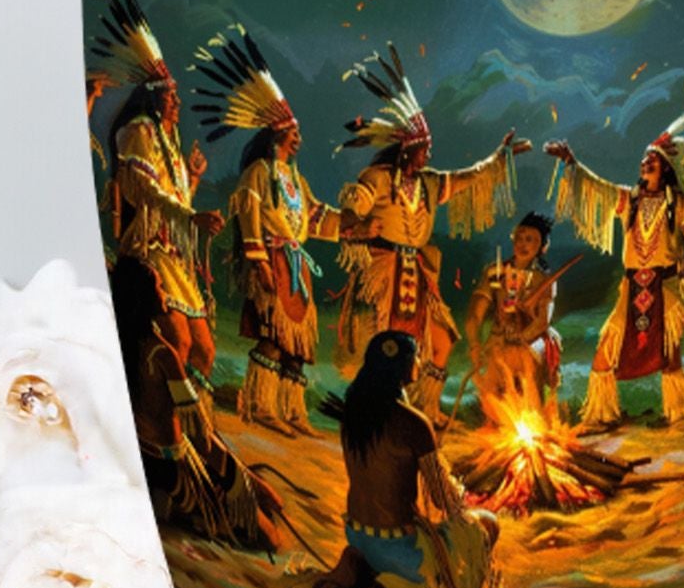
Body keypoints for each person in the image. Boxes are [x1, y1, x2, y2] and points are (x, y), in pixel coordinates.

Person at [333, 45, 530, 412]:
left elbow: (469, 177)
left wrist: (498, 158)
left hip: (419, 274)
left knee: (442, 341)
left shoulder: (430, 183)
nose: (429, 155)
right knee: (383, 343)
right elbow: (350, 208)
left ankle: (426, 407)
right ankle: (375, 407)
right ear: (408, 149)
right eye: (425, 148)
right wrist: (360, 225)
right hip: (385, 273)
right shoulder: (377, 178)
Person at [304, 331, 500, 588]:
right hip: (399, 548)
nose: (420, 363)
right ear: (403, 365)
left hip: (356, 533)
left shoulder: (354, 411)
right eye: (417, 356)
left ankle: (359, 570)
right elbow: (443, 500)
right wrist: (459, 491)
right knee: (487, 524)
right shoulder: (413, 423)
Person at [192, 26, 340, 435]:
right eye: (294, 133)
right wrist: (259, 263)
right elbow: (249, 219)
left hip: (296, 265)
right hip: (271, 260)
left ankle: (293, 412)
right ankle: (261, 406)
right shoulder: (258, 173)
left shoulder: (295, 178)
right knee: (273, 338)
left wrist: (355, 225)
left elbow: (314, 216)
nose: (299, 139)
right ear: (278, 136)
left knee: (298, 347)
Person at [543, 127, 684, 430]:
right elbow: (598, 188)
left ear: (665, 167)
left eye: (653, 159)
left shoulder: (681, 203)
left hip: (667, 287)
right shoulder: (630, 200)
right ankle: (600, 415)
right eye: (644, 159)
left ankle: (680, 415)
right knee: (606, 350)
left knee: (669, 354)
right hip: (632, 288)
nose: (645, 163)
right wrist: (572, 163)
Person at [89, 0, 223, 384]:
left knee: (205, 352)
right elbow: (145, 192)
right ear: (153, 97)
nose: (177, 103)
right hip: (149, 251)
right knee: (177, 343)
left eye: (177, 96)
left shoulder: (170, 143)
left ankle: (189, 414)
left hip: (176, 257)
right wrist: (192, 217)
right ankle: (159, 414)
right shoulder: (138, 131)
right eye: (171, 96)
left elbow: (174, 198)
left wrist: (192, 179)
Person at [109, 255, 272, 551]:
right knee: (268, 531)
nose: (166, 295)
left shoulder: (124, 344)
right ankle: (184, 509)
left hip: (146, 455)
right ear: (144, 297)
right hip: (172, 466)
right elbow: (199, 436)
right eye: (160, 287)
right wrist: (237, 480)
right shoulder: (163, 355)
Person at [463, 211, 564, 420]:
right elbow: (475, 313)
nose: (523, 244)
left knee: (527, 370)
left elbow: (542, 322)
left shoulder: (545, 280)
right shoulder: (494, 272)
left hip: (532, 340)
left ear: (542, 246)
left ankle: (536, 419)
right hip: (499, 338)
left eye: (530, 239)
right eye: (520, 237)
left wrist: (521, 338)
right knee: (492, 384)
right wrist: (474, 344)